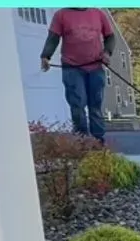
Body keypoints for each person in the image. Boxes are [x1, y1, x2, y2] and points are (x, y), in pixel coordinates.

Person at [41, 7, 119, 145]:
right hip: (72, 67)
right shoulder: (61, 15)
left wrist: (107, 52)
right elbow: (53, 38)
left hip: (95, 66)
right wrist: (46, 56)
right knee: (77, 104)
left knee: (95, 105)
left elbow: (110, 37)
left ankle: (98, 142)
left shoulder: (98, 14)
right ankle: (81, 141)